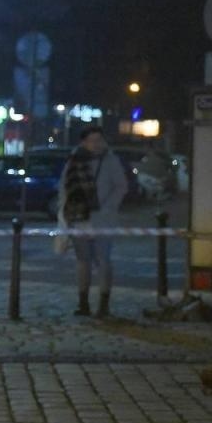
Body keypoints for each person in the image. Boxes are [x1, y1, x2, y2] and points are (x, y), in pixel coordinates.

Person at [57, 124, 126, 318]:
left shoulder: (110, 161)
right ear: (83, 142)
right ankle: (83, 303)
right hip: (79, 218)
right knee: (82, 261)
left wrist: (108, 207)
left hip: (103, 220)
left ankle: (103, 304)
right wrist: (65, 213)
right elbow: (64, 187)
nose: (96, 144)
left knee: (103, 260)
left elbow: (121, 186)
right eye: (91, 141)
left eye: (99, 140)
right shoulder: (73, 161)